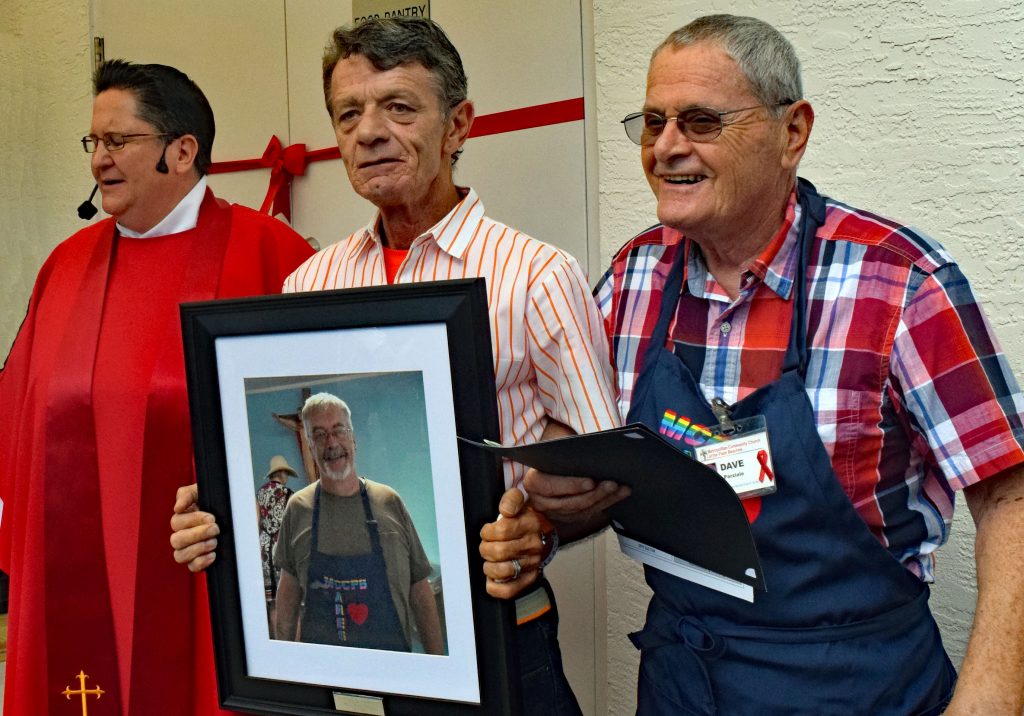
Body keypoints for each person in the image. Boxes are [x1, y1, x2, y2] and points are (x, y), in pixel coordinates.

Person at [524, 14, 1024, 716]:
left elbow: (1009, 494)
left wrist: (992, 698)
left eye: (699, 121)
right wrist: (550, 513)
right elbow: (592, 470)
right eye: (652, 122)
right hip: (684, 684)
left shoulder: (898, 282)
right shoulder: (632, 282)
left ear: (792, 132)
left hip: (855, 688)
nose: (665, 148)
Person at [170, 17, 622, 715]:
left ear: (458, 125)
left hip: (504, 631)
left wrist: (541, 525)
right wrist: (220, 513)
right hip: (343, 653)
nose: (369, 131)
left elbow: (603, 465)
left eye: (399, 107)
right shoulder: (308, 284)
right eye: (348, 113)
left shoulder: (536, 275)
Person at [0, 60, 314, 716]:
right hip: (78, 585)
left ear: (182, 149)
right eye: (94, 143)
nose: (100, 160)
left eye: (119, 141)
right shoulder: (65, 267)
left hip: (208, 582)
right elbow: (19, 423)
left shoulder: (271, 255)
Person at [271, 393, 443, 653]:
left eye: (339, 430)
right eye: (319, 435)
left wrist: (437, 664)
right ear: (309, 445)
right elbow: (287, 599)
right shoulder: (297, 509)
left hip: (394, 671)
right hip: (323, 676)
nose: (332, 442)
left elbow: (420, 590)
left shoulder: (389, 501)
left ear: (354, 438)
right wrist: (283, 669)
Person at [256, 454, 297, 636]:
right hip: (282, 547)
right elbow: (294, 525)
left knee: (272, 601)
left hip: (265, 549)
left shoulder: (260, 493)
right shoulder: (289, 495)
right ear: (281, 473)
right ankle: (295, 644)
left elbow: (257, 522)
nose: (286, 477)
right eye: (286, 473)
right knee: (291, 600)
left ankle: (277, 641)